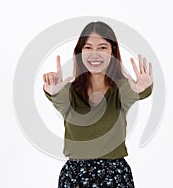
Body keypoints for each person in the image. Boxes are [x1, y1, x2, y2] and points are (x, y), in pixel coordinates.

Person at [42, 21, 153, 187]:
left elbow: (136, 93)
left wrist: (142, 88)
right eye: (88, 47)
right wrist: (53, 90)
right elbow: (57, 96)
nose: (95, 54)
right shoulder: (70, 92)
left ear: (112, 52)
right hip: (75, 177)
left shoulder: (121, 89)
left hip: (114, 176)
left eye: (102, 47)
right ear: (80, 52)